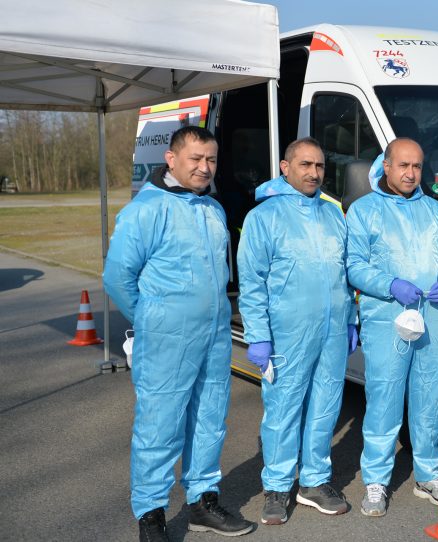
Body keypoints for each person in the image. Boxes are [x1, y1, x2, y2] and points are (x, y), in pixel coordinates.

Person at [103, 126, 254, 541]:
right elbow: (118, 277)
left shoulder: (212, 207)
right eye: (196, 159)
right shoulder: (146, 209)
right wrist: (153, 318)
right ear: (171, 160)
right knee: (160, 426)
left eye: (211, 160)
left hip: (214, 335)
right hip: (167, 337)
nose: (205, 168)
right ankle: (150, 515)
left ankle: (203, 500)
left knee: (209, 419)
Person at [237, 137, 356, 526]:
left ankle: (315, 481)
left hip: (333, 330)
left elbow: (345, 273)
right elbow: (251, 282)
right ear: (285, 168)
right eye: (305, 165)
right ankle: (277, 485)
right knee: (284, 409)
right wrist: (258, 334)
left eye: (319, 166)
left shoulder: (333, 214)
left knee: (325, 406)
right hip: (287, 332)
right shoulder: (264, 217)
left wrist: (352, 319)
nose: (313, 173)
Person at [346, 138, 438, 517]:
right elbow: (354, 265)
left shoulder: (433, 210)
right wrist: (389, 285)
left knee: (431, 398)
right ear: (387, 166)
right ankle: (376, 480)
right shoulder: (364, 211)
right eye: (403, 166)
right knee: (384, 398)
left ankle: (429, 473)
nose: (411, 174)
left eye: (417, 167)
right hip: (387, 320)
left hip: (434, 317)